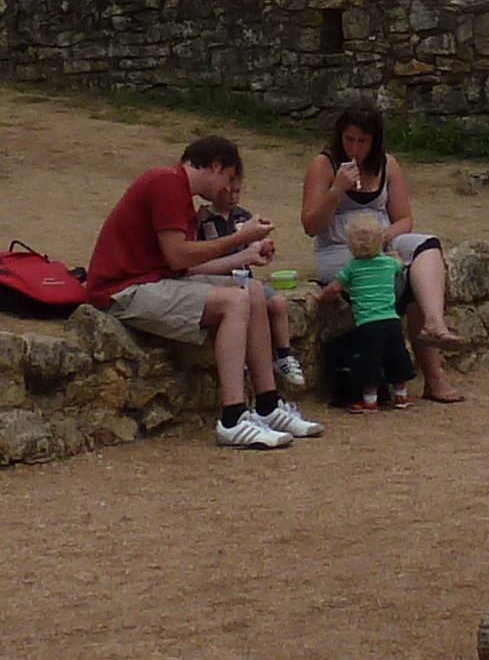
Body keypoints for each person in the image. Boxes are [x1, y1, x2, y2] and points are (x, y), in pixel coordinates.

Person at [90, 133, 319, 449]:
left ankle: (268, 404)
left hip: (152, 280)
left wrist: (245, 255)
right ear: (215, 166)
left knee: (251, 290)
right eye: (227, 178)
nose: (226, 188)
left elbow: (184, 268)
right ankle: (232, 417)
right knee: (235, 302)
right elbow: (178, 255)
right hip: (124, 290)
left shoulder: (181, 195)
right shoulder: (166, 182)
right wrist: (237, 240)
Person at [298, 103, 467, 406]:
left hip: (382, 242)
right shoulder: (323, 165)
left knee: (426, 246)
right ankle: (432, 376)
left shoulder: (388, 165)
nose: (355, 147)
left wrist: (383, 239)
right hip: (340, 248)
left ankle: (434, 324)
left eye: (363, 141)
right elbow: (310, 225)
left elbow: (404, 219)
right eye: (349, 140)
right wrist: (336, 191)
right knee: (394, 278)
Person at [327, 212, 415, 412]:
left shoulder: (352, 268)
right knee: (396, 357)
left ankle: (369, 400)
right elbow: (400, 266)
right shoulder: (388, 263)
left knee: (370, 361)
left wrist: (319, 297)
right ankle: (401, 395)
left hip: (368, 323)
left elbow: (334, 288)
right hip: (391, 321)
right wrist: (397, 256)